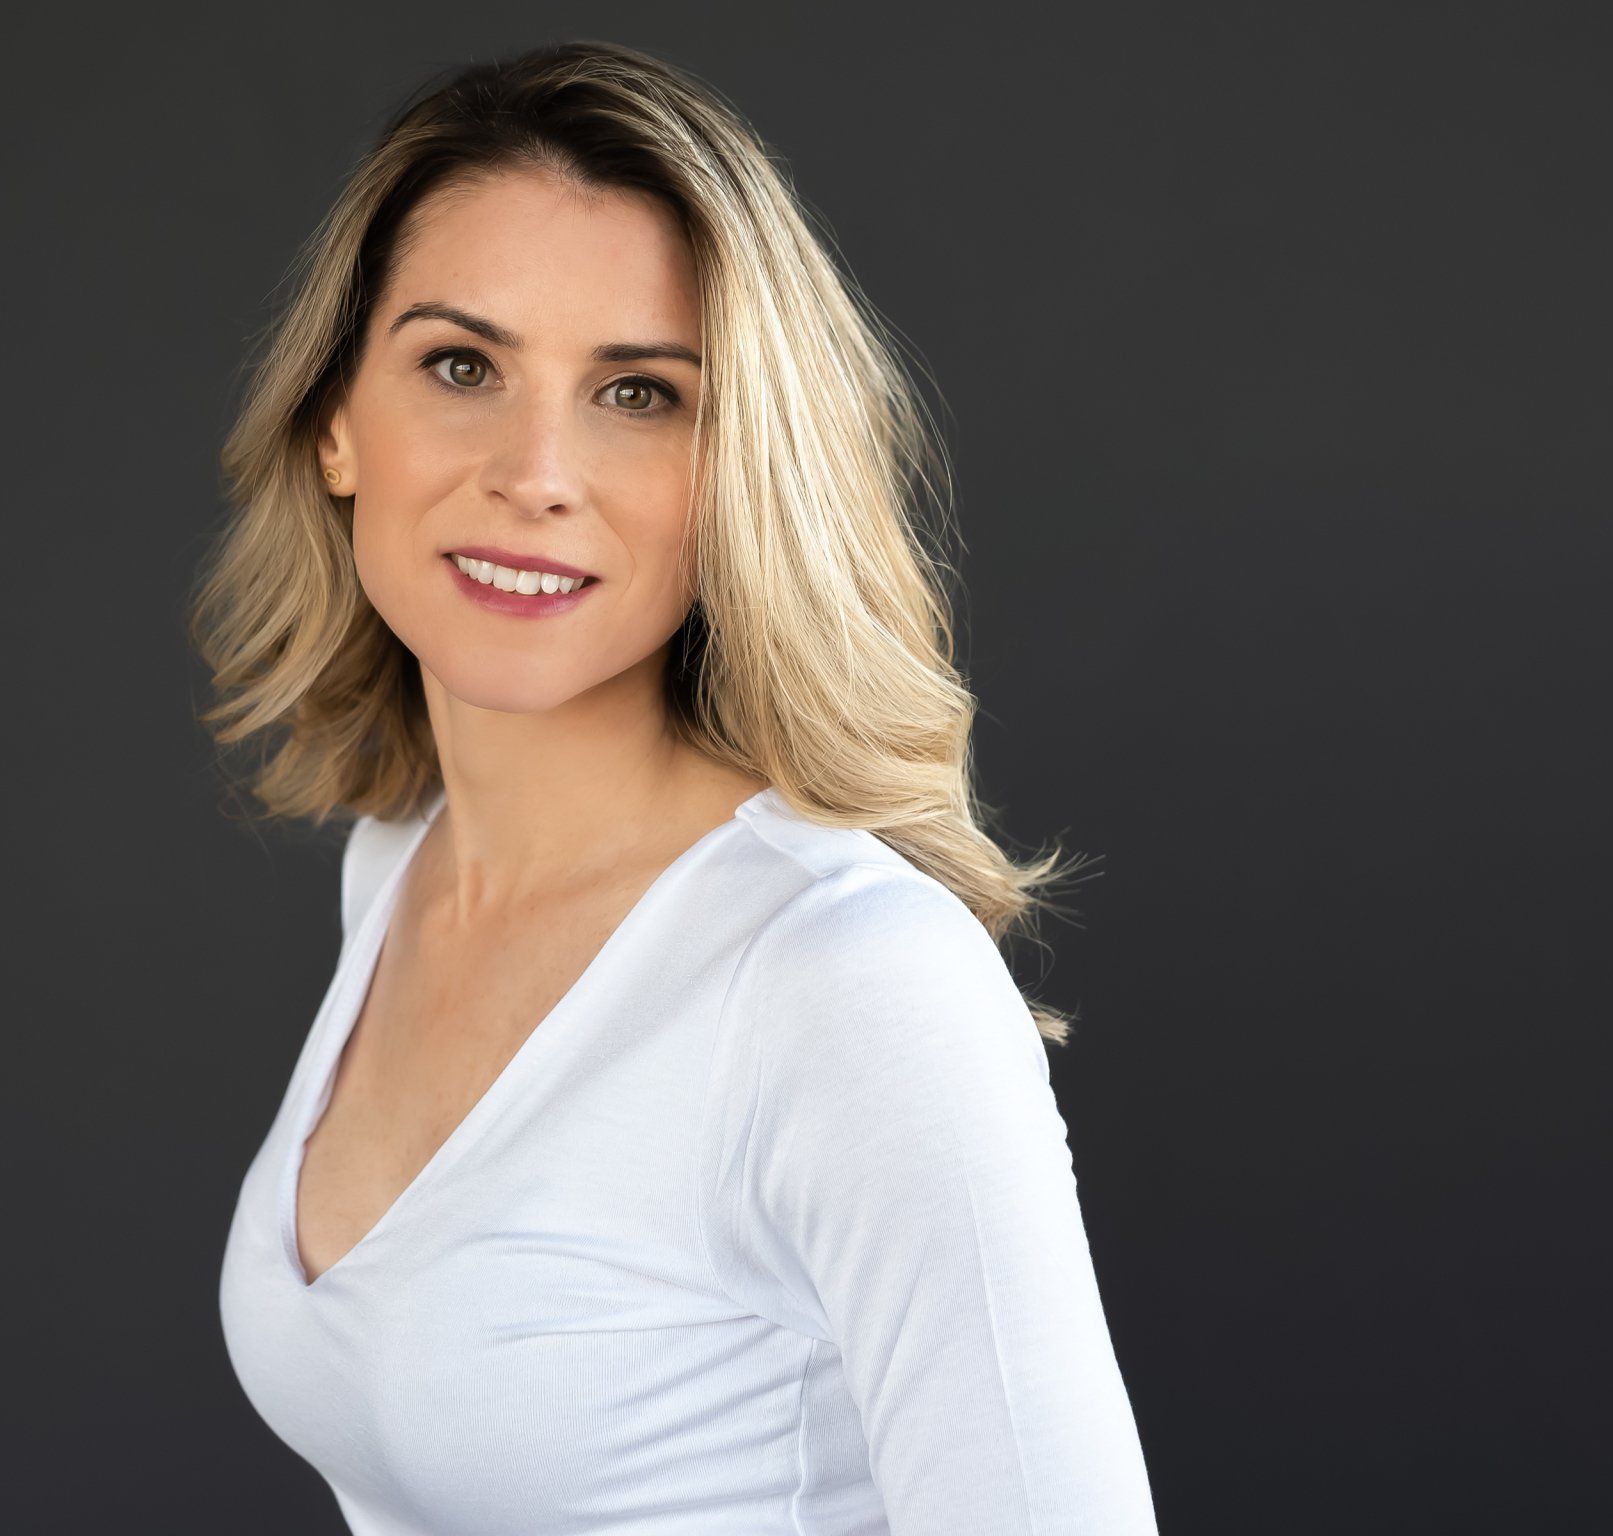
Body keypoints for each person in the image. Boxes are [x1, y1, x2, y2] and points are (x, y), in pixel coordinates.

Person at [190, 39, 1159, 1536]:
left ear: (740, 473)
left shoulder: (849, 982)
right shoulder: (402, 857)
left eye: (640, 395)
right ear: (335, 420)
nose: (538, 472)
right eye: (462, 366)